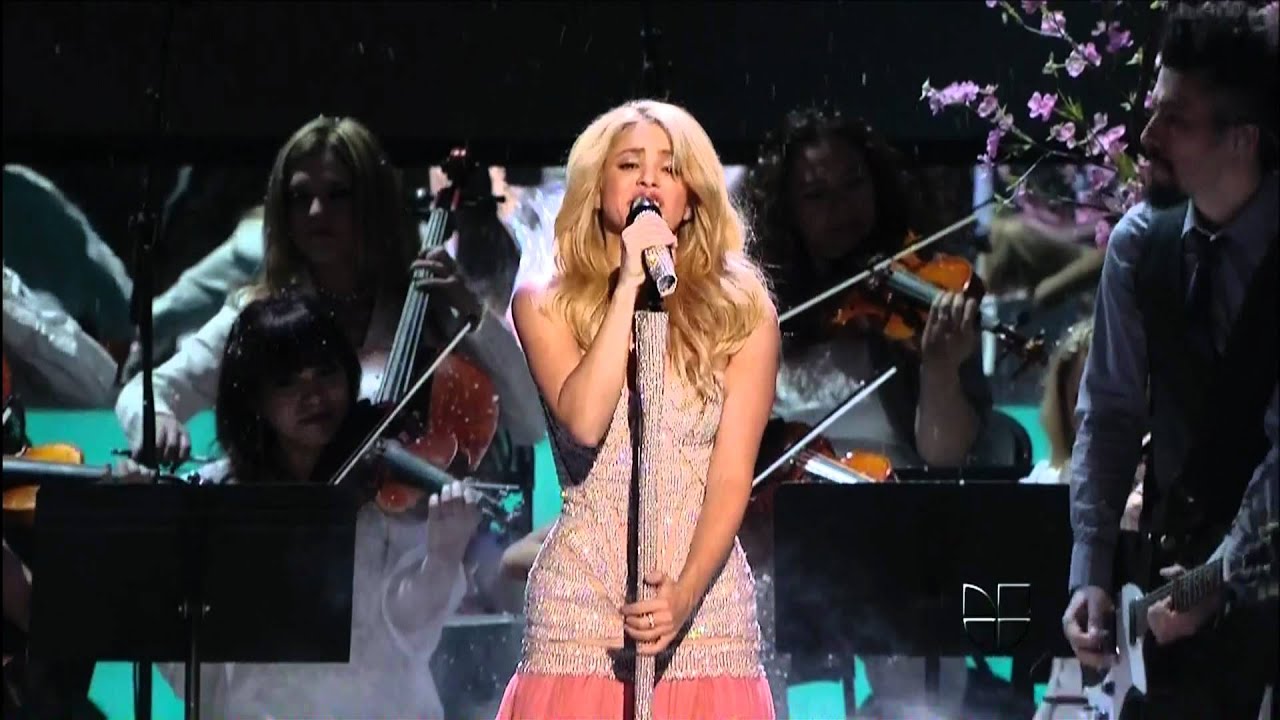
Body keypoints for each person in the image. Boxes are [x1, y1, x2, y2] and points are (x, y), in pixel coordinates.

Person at [494, 99, 778, 719]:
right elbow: (584, 421)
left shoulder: (743, 312)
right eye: (629, 165)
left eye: (669, 169)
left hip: (704, 612)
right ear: (598, 186)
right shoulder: (542, 303)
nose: (649, 181)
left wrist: (685, 594)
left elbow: (731, 478)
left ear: (691, 197)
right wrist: (627, 283)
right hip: (581, 615)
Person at [739, 107, 992, 718]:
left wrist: (940, 369)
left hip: (893, 529)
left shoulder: (919, 301)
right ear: (788, 211)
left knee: (918, 673)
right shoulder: (754, 309)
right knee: (739, 622)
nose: (842, 208)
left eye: (854, 184)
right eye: (816, 195)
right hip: (780, 538)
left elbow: (944, 455)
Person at [1064, 2, 1279, 717]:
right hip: (1171, 621)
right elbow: (1110, 415)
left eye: (1176, 120)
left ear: (1242, 138)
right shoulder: (1138, 246)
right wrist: (1090, 574)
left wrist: (1221, 575)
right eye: (1154, 110)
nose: (1147, 136)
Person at [113, 115, 545, 469]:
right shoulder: (263, 315)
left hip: (418, 539)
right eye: (300, 197)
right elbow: (146, 393)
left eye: (338, 195)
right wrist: (158, 421)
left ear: (372, 202)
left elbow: (530, 422)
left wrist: (472, 313)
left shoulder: (426, 309)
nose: (317, 212)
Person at [129, 291, 484, 718]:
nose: (313, 395)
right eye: (286, 382)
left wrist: (443, 557)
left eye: (326, 373)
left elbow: (410, 633)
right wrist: (146, 538)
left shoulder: (382, 487)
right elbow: (186, 658)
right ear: (253, 398)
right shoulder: (219, 497)